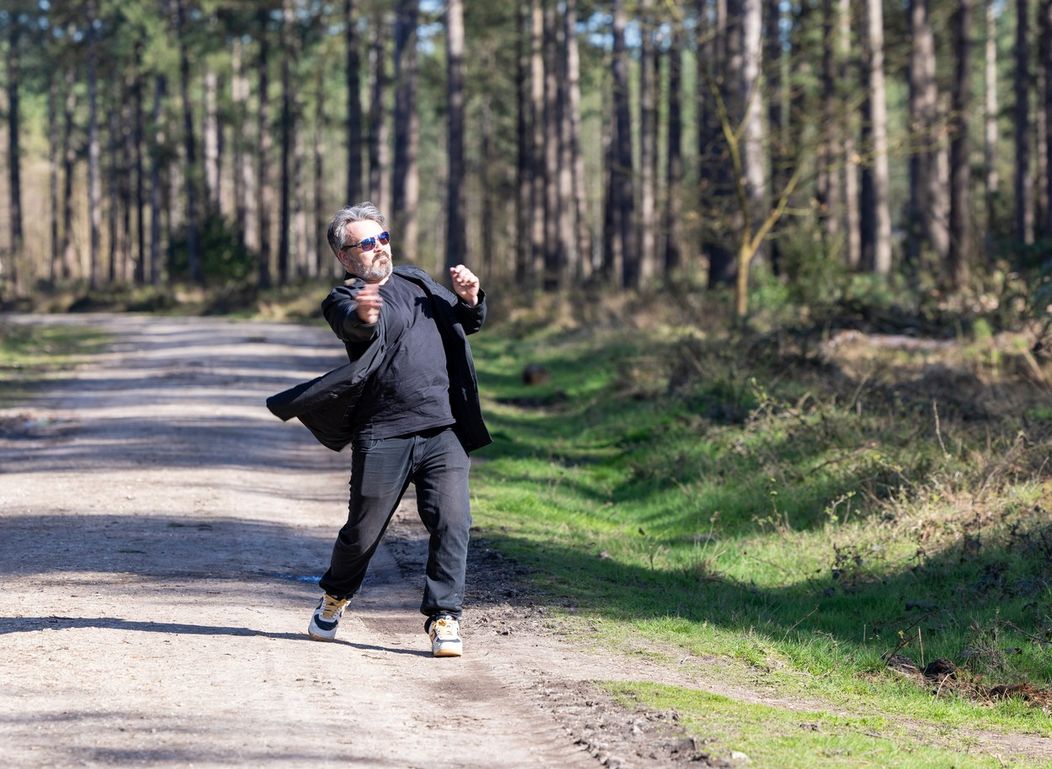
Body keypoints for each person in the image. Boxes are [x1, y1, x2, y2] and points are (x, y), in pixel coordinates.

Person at [271, 202, 490, 657]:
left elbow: (465, 323)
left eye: (383, 238)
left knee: (453, 522)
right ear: (345, 256)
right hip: (383, 432)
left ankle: (444, 617)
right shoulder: (344, 298)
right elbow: (355, 326)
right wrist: (364, 316)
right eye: (367, 243)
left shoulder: (418, 281)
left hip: (443, 429)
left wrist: (470, 297)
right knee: (362, 534)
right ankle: (334, 597)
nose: (379, 249)